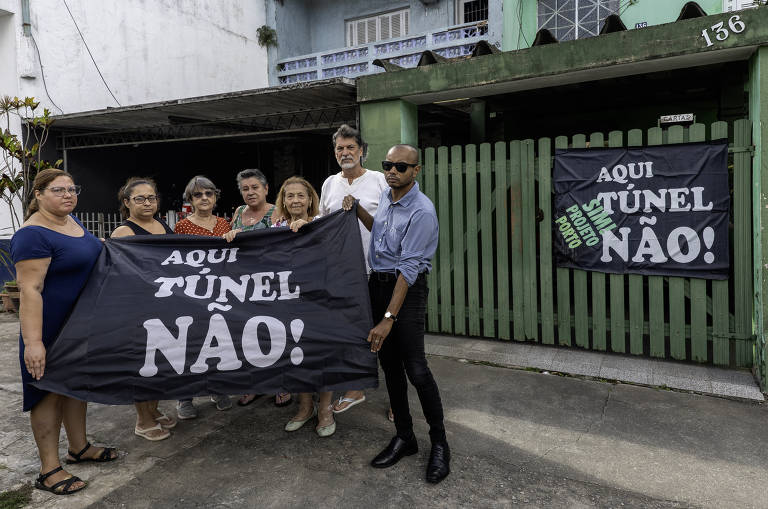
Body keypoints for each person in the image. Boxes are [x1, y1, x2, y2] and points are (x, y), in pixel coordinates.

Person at [342, 144, 450, 484]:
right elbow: (384, 237)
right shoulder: (388, 197)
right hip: (380, 284)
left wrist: (388, 318)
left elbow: (408, 268)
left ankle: (440, 445)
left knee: (416, 369)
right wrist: (358, 210)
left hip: (407, 289)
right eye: (388, 164)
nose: (392, 170)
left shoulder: (422, 211)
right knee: (389, 365)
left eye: (401, 167)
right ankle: (405, 437)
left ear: (415, 171)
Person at [12, 169, 119, 495]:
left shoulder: (71, 223)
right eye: (58, 190)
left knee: (74, 387)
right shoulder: (32, 235)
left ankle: (79, 447)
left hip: (79, 325)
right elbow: (30, 289)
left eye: (72, 189)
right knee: (47, 394)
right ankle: (49, 469)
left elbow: (83, 256)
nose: (68, 195)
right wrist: (33, 343)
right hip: (49, 328)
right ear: (39, 195)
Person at [319, 124, 388, 416]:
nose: (345, 153)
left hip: (376, 270)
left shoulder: (380, 181)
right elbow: (322, 224)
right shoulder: (329, 184)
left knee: (384, 334)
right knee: (351, 331)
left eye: (350, 147)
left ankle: (398, 399)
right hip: (342, 273)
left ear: (362, 151)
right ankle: (356, 387)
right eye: (340, 148)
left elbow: (389, 226)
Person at [111, 177, 177, 441]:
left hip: (165, 305)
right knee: (145, 364)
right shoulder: (123, 233)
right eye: (140, 198)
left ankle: (154, 409)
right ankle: (143, 419)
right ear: (127, 203)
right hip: (139, 309)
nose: (147, 203)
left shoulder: (162, 225)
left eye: (151, 198)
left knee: (161, 362)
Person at [273, 176, 336, 437]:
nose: (296, 200)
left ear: (310, 200)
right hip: (288, 302)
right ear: (284, 202)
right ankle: (304, 406)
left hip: (319, 301)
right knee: (295, 355)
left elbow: (333, 258)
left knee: (321, 355)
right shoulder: (275, 227)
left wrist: (308, 231)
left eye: (301, 195)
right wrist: (236, 236)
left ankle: (325, 409)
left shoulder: (323, 225)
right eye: (290, 196)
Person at [224, 169, 291, 409]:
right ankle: (252, 384)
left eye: (254, 187)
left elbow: (283, 245)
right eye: (245, 189)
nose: (250, 192)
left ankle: (280, 384)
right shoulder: (239, 212)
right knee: (246, 337)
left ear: (265, 189)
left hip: (271, 284)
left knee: (275, 334)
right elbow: (231, 243)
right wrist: (231, 234)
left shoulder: (277, 212)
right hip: (243, 285)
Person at [174, 176, 233, 418]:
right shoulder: (182, 227)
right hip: (193, 294)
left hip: (221, 292)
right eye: (198, 195)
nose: (204, 198)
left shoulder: (225, 225)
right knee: (190, 343)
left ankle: (217, 388)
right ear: (191, 200)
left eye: (208, 193)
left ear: (215, 197)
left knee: (219, 342)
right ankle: (184, 397)